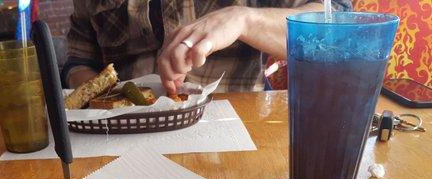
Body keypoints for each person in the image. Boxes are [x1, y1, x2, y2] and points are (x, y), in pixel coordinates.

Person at [62, 0, 351, 93]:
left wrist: (245, 19)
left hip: (234, 132)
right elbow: (78, 60)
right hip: (118, 135)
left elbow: (338, 27)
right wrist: (103, 97)